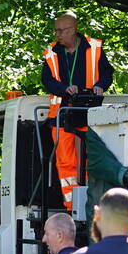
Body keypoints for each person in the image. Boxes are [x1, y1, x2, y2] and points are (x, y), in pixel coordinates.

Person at [41, 11, 114, 211]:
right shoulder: (52, 52)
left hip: (89, 113)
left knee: (92, 158)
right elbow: (47, 80)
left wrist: (100, 85)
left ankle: (94, 203)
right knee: (65, 161)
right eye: (55, 30)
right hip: (61, 115)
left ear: (73, 29)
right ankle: (72, 206)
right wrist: (64, 88)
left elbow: (108, 73)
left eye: (60, 30)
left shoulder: (94, 48)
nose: (57, 34)